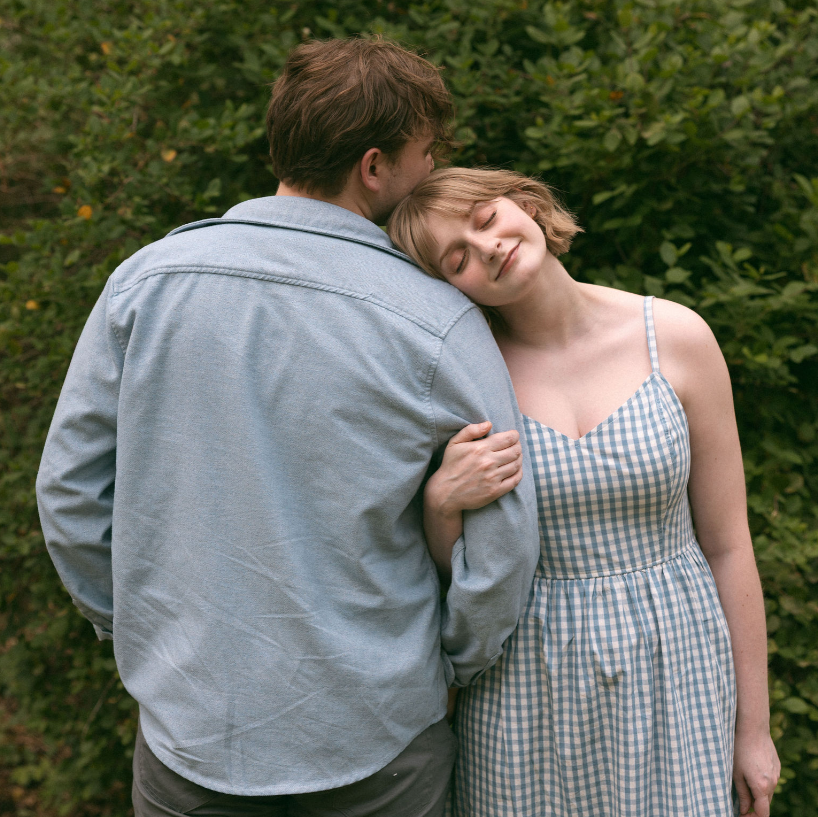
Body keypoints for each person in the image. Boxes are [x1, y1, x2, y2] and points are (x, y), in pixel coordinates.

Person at [35, 43, 541, 817]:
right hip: (381, 741)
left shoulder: (146, 283)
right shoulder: (437, 319)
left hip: (191, 730)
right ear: (374, 167)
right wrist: (453, 664)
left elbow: (69, 492)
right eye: (425, 150)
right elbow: (502, 537)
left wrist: (140, 631)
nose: (433, 164)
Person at [387, 167, 781, 817]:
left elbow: (729, 545)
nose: (486, 247)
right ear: (449, 287)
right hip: (523, 680)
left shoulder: (674, 337)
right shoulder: (464, 379)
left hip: (675, 664)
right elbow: (452, 573)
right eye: (457, 258)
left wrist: (754, 730)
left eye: (486, 219)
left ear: (525, 204)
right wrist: (440, 503)